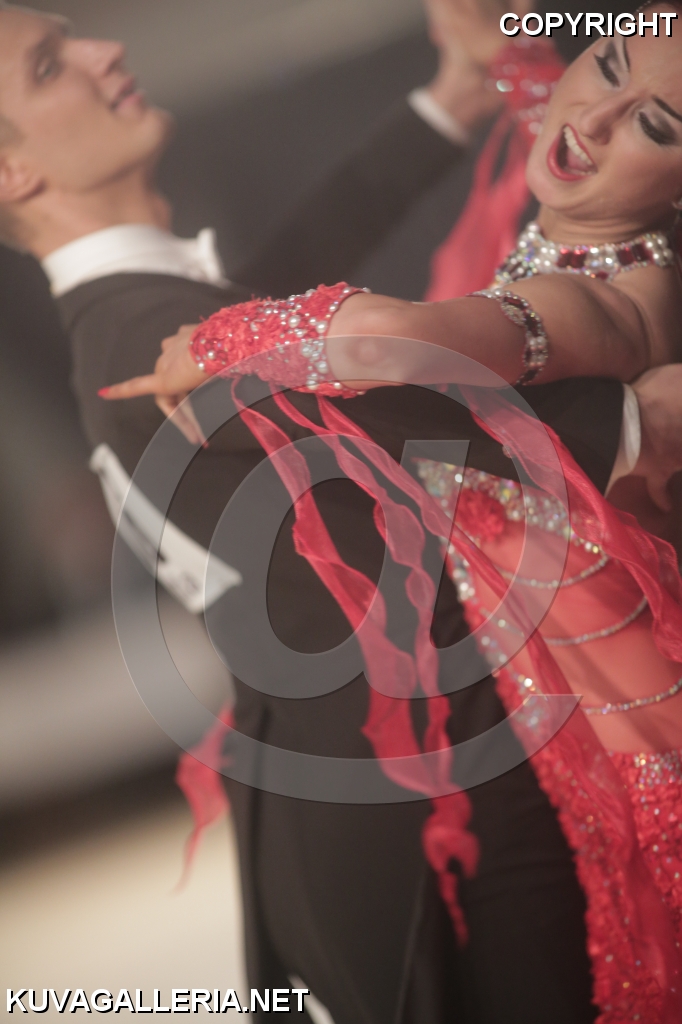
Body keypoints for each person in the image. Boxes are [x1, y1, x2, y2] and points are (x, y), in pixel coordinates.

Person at [0, 1, 674, 1020]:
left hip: (350, 811)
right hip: (434, 826)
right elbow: (384, 393)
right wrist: (624, 423)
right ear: (14, 173)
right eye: (52, 65)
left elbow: (279, 290)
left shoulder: (131, 317)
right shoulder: (149, 338)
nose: (104, 48)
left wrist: (449, 102)